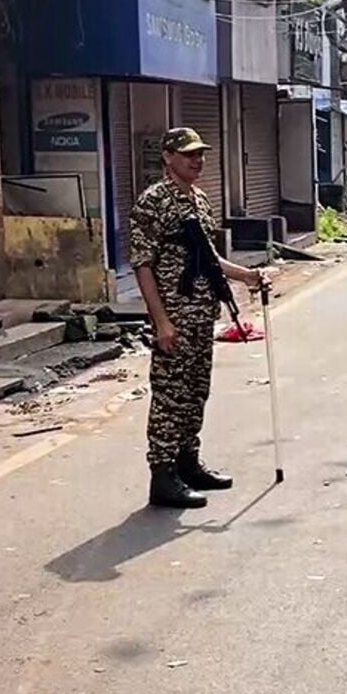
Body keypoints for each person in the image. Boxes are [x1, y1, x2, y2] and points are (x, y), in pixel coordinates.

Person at [129, 128, 263, 509]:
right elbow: (142, 264)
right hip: (174, 315)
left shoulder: (200, 200)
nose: (197, 160)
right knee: (170, 395)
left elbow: (208, 259)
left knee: (196, 391)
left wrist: (247, 276)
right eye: (188, 155)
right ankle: (163, 474)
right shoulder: (153, 202)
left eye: (200, 154)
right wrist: (161, 322)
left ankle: (188, 462)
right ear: (168, 157)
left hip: (202, 314)